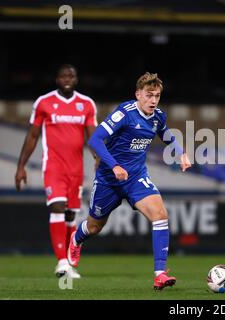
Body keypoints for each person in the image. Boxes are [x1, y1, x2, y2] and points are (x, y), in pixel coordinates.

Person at [67, 72, 191, 290]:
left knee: (160, 215)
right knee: (95, 227)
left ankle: (160, 274)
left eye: (157, 96)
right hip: (109, 179)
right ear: (138, 94)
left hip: (136, 178)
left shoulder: (157, 116)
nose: (153, 100)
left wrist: (180, 152)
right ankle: (76, 239)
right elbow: (96, 139)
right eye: (149, 95)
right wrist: (114, 166)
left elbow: (165, 134)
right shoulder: (125, 112)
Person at [15, 64, 98, 278]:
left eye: (71, 75)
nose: (67, 78)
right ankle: (61, 261)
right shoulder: (44, 102)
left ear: (76, 79)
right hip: (53, 167)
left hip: (76, 170)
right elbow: (32, 136)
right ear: (57, 79)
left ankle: (69, 263)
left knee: (71, 215)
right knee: (57, 208)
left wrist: (100, 159)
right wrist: (21, 166)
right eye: (63, 75)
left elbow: (93, 137)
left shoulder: (86, 104)